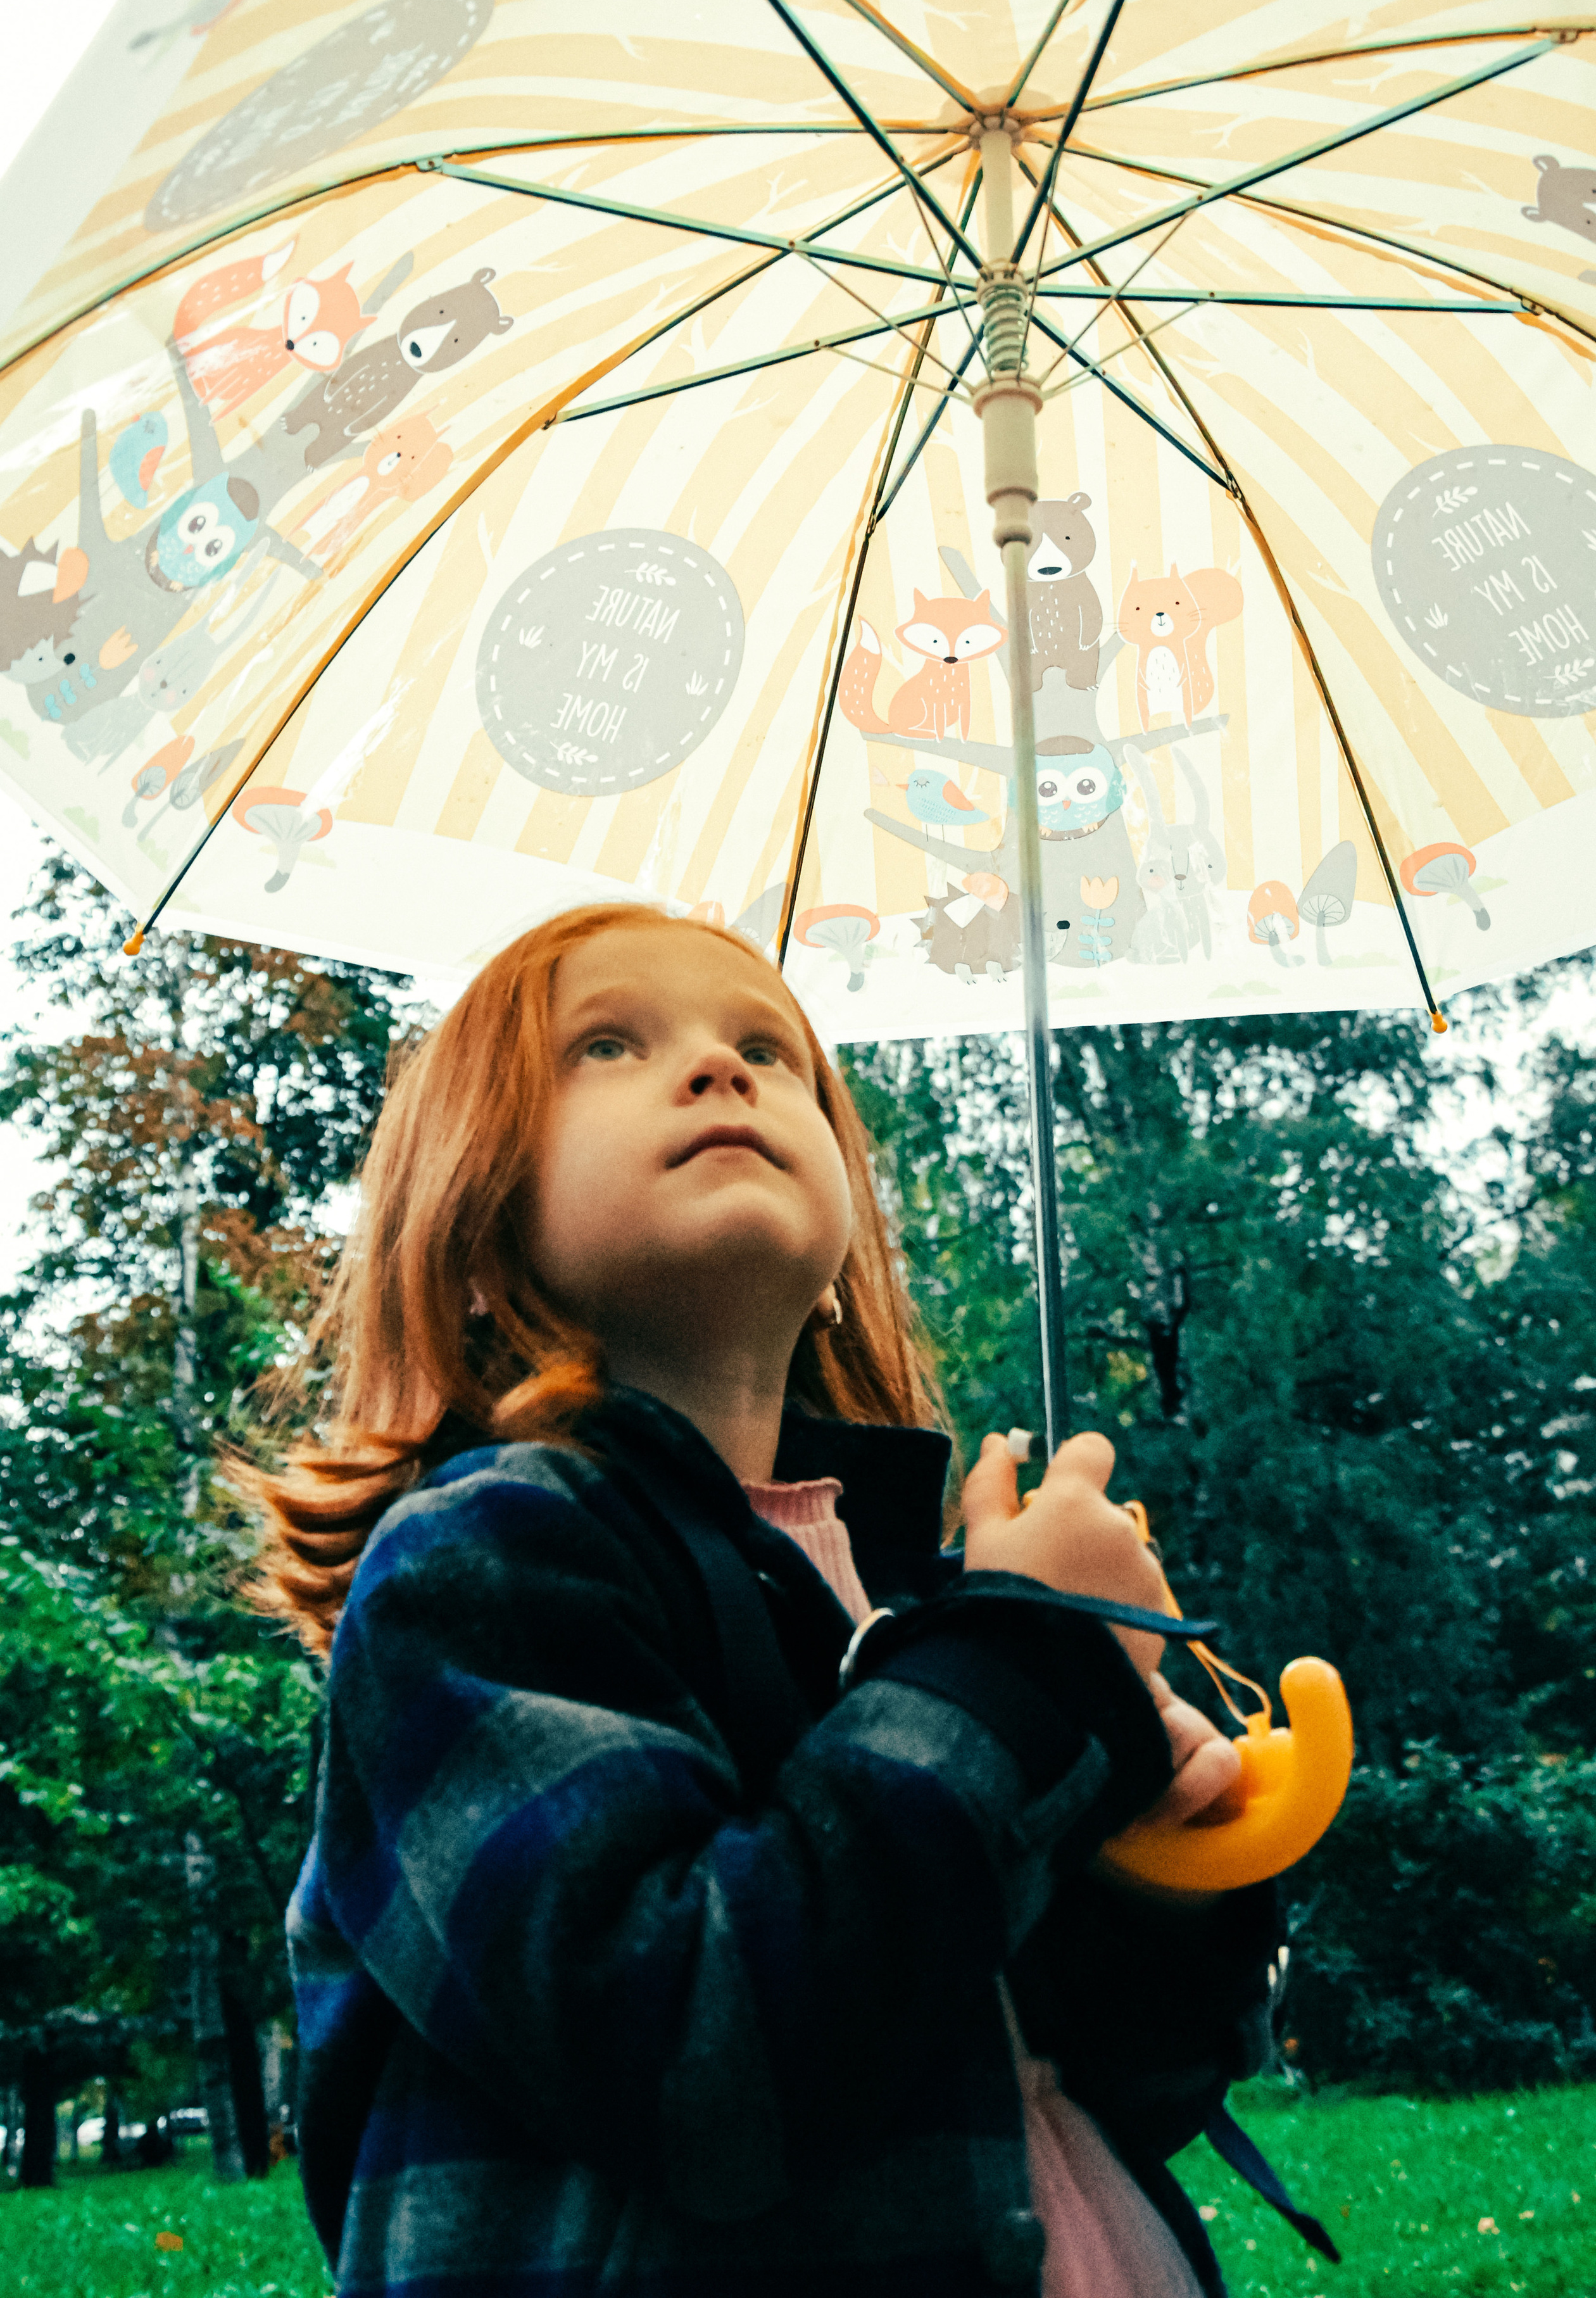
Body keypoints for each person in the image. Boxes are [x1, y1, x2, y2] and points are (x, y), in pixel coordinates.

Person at [246, 902, 1300, 2298]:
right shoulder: (482, 1565)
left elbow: (1114, 2068)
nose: (717, 1068)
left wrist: (1147, 1852)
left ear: (842, 1241)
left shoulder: (909, 1598)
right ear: (476, 1230)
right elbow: (695, 2057)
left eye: (768, 1049)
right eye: (609, 1044)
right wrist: (1020, 1666)